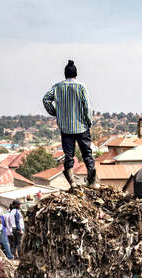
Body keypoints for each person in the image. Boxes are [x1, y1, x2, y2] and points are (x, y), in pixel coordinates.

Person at [42, 59, 97, 188]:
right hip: (82, 126)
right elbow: (87, 106)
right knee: (87, 154)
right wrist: (88, 121)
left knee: (69, 156)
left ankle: (72, 182)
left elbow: (45, 99)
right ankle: (92, 181)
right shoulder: (81, 87)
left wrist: (55, 112)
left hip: (66, 128)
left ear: (65, 74)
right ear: (76, 74)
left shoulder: (57, 87)